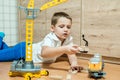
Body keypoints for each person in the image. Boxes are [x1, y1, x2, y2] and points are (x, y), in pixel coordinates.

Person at [0, 12, 83, 72]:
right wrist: (64, 49)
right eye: (61, 26)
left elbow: (71, 54)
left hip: (28, 51)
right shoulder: (50, 37)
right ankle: (0, 37)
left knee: (5, 52)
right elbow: (44, 53)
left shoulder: (68, 39)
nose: (65, 29)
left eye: (68, 27)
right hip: (24, 50)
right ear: (52, 28)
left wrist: (74, 64)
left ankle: (2, 43)